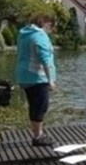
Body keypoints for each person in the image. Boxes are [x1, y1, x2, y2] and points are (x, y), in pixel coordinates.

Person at [15, 13, 57, 147]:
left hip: (25, 76)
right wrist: (50, 80)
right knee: (41, 106)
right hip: (38, 77)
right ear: (46, 24)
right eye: (51, 26)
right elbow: (45, 59)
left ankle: (37, 134)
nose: (51, 30)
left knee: (34, 105)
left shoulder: (24, 34)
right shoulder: (39, 36)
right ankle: (38, 136)